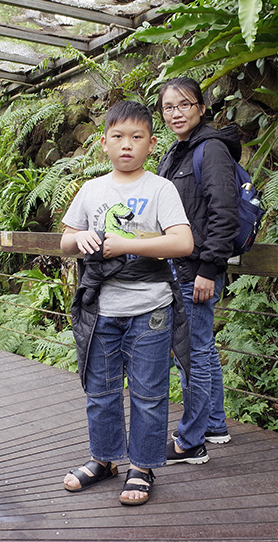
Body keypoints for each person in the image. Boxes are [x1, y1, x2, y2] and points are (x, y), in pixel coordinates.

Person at [60, 100, 193, 506]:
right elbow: (65, 239)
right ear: (103, 143)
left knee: (149, 394)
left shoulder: (160, 188)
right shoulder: (92, 189)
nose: (126, 145)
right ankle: (104, 460)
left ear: (152, 144)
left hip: (150, 309)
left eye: (136, 137)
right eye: (117, 137)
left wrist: (129, 244)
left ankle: (142, 466)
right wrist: (79, 240)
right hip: (101, 308)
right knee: (100, 391)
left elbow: (183, 242)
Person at [156, 77, 240, 465]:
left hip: (196, 270)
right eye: (168, 107)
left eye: (184, 104)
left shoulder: (212, 150)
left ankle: (190, 441)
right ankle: (214, 425)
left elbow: (224, 214)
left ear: (201, 109)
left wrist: (209, 268)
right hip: (178, 267)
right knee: (200, 349)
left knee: (192, 352)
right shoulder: (177, 153)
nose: (176, 113)